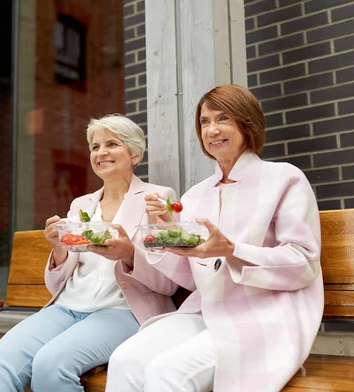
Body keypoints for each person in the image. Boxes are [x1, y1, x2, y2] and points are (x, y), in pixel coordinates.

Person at [106, 84, 323, 392]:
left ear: (247, 123)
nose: (212, 129)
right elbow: (192, 278)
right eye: (205, 121)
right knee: (125, 360)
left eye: (223, 119)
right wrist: (166, 232)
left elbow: (303, 264)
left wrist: (233, 251)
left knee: (167, 373)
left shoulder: (284, 179)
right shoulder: (195, 195)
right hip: (205, 310)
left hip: (263, 315)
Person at [0, 114, 178, 392]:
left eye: (112, 144)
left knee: (51, 364)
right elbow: (57, 286)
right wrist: (59, 249)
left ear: (135, 154)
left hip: (123, 311)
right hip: (67, 308)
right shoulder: (81, 205)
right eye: (95, 147)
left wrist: (130, 254)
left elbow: (169, 282)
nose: (101, 152)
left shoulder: (158, 198)